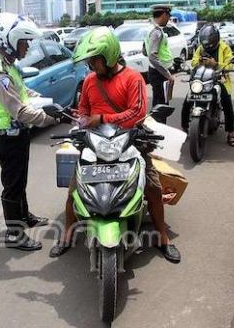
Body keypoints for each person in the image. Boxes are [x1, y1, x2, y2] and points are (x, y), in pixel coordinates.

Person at [48, 27, 181, 263]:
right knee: (74, 189)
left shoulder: (133, 78)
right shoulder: (89, 81)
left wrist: (102, 118)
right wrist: (79, 120)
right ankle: (68, 232)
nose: (91, 65)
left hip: (129, 140)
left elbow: (136, 113)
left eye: (94, 60)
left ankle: (162, 236)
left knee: (152, 186)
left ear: (109, 55)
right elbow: (84, 111)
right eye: (89, 60)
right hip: (96, 142)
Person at [0, 13, 60, 251]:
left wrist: (48, 101)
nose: (27, 48)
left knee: (21, 180)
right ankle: (14, 234)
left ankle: (24, 216)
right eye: (24, 43)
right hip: (9, 137)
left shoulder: (8, 65)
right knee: (13, 184)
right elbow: (19, 110)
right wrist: (48, 118)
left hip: (18, 135)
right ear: (10, 41)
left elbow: (24, 92)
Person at [181, 24, 234, 147]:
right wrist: (200, 62)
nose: (207, 45)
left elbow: (230, 64)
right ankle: (184, 128)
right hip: (202, 80)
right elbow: (193, 62)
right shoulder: (201, 48)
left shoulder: (224, 47)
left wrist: (215, 63)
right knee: (187, 101)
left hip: (219, 79)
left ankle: (230, 133)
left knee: (227, 103)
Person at [145, 4, 175, 122]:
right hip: (159, 74)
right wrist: (168, 75)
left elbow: (145, 50)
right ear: (163, 15)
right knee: (161, 106)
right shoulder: (156, 32)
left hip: (156, 72)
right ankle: (160, 132)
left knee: (158, 103)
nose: (168, 19)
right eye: (168, 16)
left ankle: (156, 131)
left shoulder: (150, 29)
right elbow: (152, 56)